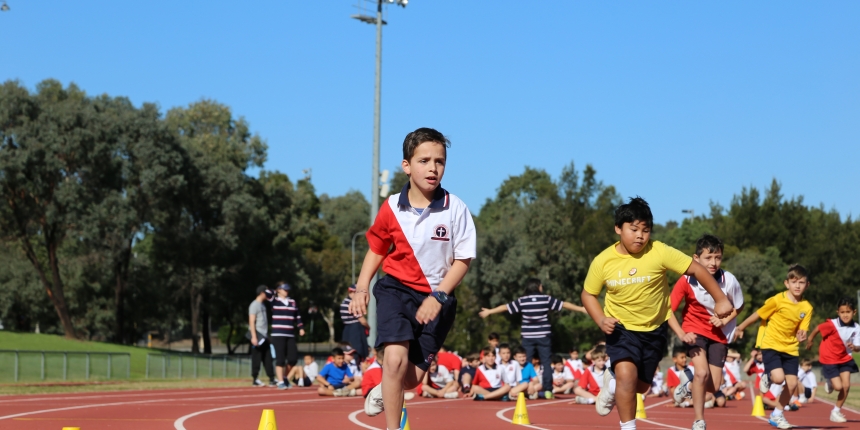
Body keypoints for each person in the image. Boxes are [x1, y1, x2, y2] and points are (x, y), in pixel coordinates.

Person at [350, 127, 477, 430]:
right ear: (407, 166)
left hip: (438, 299)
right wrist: (362, 287)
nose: (433, 168)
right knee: (393, 360)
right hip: (396, 289)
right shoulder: (392, 206)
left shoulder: (455, 208)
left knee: (410, 379)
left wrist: (439, 296)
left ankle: (387, 387)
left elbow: (463, 261)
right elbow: (377, 250)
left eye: (440, 161)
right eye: (424, 161)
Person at [581, 197, 733, 430]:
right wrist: (600, 319)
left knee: (641, 387)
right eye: (633, 229)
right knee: (627, 376)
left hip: (654, 329)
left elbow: (696, 269)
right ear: (618, 228)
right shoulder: (603, 261)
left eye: (646, 230)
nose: (640, 236)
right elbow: (588, 294)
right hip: (622, 328)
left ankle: (611, 384)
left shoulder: (659, 251)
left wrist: (720, 298)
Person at [668, 234, 745, 429]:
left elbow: (739, 306)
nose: (713, 262)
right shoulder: (686, 280)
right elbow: (667, 310)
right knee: (701, 373)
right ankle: (699, 419)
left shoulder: (729, 280)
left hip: (719, 335)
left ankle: (687, 384)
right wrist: (680, 333)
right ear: (696, 259)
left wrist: (724, 320)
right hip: (694, 331)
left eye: (717, 257)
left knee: (714, 386)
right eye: (708, 258)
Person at [736, 264, 813, 429]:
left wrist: (803, 334)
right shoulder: (778, 300)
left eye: (801, 282)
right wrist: (740, 327)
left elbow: (803, 329)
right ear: (787, 284)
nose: (797, 286)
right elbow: (758, 314)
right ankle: (768, 375)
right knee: (778, 379)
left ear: (807, 285)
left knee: (792, 384)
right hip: (771, 344)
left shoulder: (807, 308)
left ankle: (777, 414)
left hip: (791, 348)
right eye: (794, 282)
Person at [479, 278, 586, 392]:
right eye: (541, 286)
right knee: (546, 362)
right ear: (538, 286)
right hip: (543, 335)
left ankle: (524, 388)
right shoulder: (546, 299)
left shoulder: (522, 300)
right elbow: (564, 304)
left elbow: (505, 307)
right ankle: (548, 390)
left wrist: (490, 311)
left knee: (524, 362)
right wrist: (581, 309)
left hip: (528, 336)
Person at [804, 296, 860, 423]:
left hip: (845, 358)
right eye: (842, 312)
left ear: (854, 312)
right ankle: (829, 379)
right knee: (839, 387)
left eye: (848, 312)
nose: (845, 315)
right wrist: (810, 339)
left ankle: (836, 411)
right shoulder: (832, 324)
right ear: (838, 312)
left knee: (846, 386)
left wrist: (855, 347)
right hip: (829, 358)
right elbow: (818, 328)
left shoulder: (856, 328)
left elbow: (858, 347)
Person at [265, 282, 306, 389]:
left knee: (293, 358)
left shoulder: (292, 302)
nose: (286, 291)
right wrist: (276, 289)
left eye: (287, 289)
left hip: (290, 334)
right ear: (279, 290)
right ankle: (280, 381)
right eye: (284, 289)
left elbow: (297, 316)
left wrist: (301, 327)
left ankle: (285, 377)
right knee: (280, 359)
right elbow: (267, 293)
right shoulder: (274, 301)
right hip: (278, 334)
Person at [249, 285, 276, 387]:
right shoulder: (254, 305)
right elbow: (252, 321)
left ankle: (272, 378)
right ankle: (255, 379)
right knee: (257, 358)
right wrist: (254, 336)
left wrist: (267, 336)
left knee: (268, 357)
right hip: (257, 335)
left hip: (264, 336)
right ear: (262, 293)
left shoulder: (263, 305)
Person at [341, 284, 370, 360]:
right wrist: (368, 327)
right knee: (357, 350)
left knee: (347, 349)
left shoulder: (344, 302)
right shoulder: (352, 303)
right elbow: (362, 320)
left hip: (347, 329)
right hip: (355, 329)